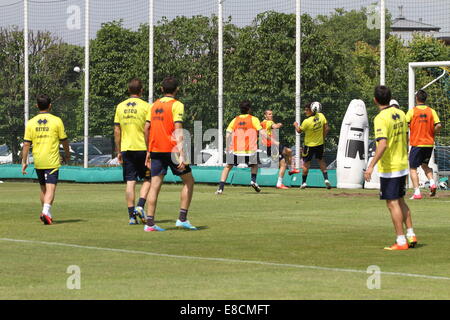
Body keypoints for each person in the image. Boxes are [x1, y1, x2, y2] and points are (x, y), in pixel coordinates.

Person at [364, 85, 417, 251]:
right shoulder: (401, 114)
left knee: (392, 203)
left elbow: (383, 144)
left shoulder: (380, 118)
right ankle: (411, 234)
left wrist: (371, 166)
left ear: (375, 100)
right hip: (402, 164)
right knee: (400, 200)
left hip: (391, 166)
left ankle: (401, 241)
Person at [143, 76, 196, 232]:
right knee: (189, 181)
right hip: (172, 151)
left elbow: (146, 128)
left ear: (161, 89)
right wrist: (182, 152)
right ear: (177, 90)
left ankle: (150, 223)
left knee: (154, 186)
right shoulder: (177, 105)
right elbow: (178, 128)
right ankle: (182, 219)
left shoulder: (152, 106)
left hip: (156, 150)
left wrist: (148, 150)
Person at [21, 94, 70, 225]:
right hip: (51, 160)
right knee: (51, 188)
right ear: (50, 105)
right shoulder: (56, 120)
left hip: (38, 160)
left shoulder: (31, 122)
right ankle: (45, 211)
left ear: (37, 106)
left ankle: (47, 214)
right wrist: (67, 154)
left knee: (43, 189)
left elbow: (26, 144)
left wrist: (24, 161)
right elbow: (64, 140)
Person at [114, 78, 151, 225]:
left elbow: (117, 130)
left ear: (129, 90)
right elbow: (149, 129)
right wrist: (150, 150)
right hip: (142, 148)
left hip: (126, 149)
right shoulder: (147, 106)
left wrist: (118, 150)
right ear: (141, 91)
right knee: (149, 179)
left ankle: (131, 217)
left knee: (130, 181)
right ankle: (140, 206)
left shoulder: (120, 107)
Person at [216, 101, 264, 195]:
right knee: (254, 165)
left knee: (227, 167)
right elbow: (261, 132)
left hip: (236, 150)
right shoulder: (254, 119)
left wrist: (227, 146)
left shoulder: (235, 120)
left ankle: (220, 188)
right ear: (249, 109)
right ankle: (253, 180)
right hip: (250, 150)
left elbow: (228, 133)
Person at [406, 89, 441, 199]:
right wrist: (432, 132)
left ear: (416, 98)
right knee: (425, 165)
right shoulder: (431, 111)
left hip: (417, 143)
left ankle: (417, 192)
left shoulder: (412, 111)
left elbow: (404, 124)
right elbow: (439, 125)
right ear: (425, 99)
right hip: (429, 144)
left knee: (412, 168)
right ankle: (432, 183)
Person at [293, 103, 331, 189]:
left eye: (307, 110)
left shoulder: (306, 121)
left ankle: (303, 182)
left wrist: (295, 125)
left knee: (306, 164)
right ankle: (326, 179)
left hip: (309, 146)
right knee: (321, 161)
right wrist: (323, 138)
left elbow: (299, 131)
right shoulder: (321, 116)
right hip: (320, 144)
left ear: (311, 110)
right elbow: (327, 128)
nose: (305, 112)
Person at [261, 110, 295, 189]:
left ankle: (290, 171)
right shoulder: (269, 122)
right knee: (283, 163)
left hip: (270, 146)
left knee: (288, 153)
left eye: (272, 114)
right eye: (269, 114)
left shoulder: (262, 123)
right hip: (272, 146)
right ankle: (282, 180)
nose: (271, 115)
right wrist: (279, 124)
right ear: (265, 116)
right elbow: (275, 126)